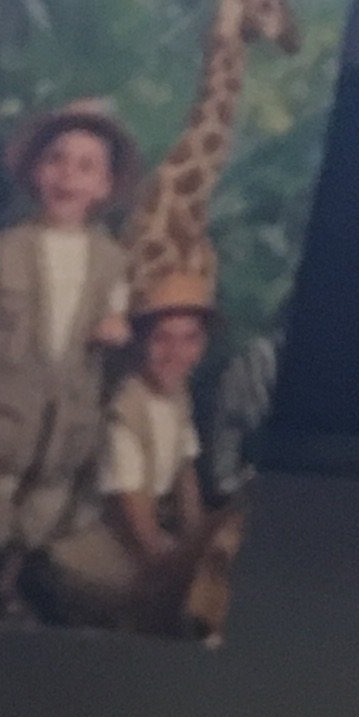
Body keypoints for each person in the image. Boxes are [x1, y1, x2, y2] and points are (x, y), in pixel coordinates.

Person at [0, 102, 138, 598]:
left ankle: (10, 583)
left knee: (42, 510)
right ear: (36, 171)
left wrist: (116, 327)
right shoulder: (9, 245)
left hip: (67, 419)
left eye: (85, 166)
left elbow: (118, 313)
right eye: (56, 159)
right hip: (3, 411)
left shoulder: (111, 259)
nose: (68, 176)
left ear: (103, 187)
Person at [37, 265, 225, 635]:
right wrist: (179, 569)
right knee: (156, 598)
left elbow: (185, 472)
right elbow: (133, 516)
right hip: (104, 534)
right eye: (162, 339)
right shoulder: (125, 411)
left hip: (148, 528)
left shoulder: (177, 393)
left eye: (190, 339)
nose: (176, 353)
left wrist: (200, 543)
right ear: (140, 341)